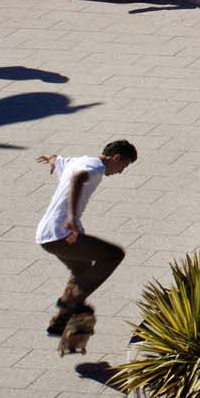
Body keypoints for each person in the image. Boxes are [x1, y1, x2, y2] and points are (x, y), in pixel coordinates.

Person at [37, 139, 138, 349]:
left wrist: (51, 160)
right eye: (123, 166)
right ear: (116, 157)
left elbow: (59, 160)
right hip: (61, 235)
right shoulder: (94, 168)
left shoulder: (80, 160)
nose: (121, 172)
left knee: (81, 268)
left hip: (45, 234)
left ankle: (59, 324)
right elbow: (77, 180)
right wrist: (72, 217)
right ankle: (71, 303)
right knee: (113, 255)